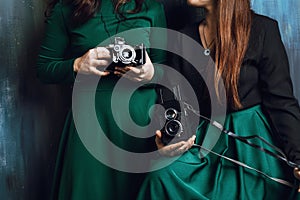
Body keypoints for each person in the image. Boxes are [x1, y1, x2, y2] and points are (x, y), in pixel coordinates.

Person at [137, 0, 300, 199]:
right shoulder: (182, 38)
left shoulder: (263, 29)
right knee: (161, 174)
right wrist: (168, 139)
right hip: (204, 143)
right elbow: (173, 100)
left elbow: (282, 104)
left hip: (254, 145)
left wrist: (298, 159)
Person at [36, 0, 166, 199]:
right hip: (91, 122)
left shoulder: (151, 7)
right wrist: (76, 65)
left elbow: (167, 68)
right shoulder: (67, 8)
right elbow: (44, 68)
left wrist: (151, 73)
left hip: (142, 123)